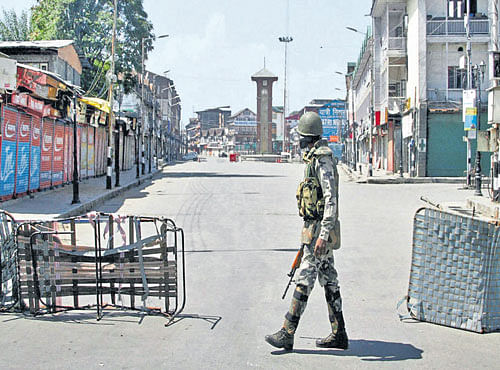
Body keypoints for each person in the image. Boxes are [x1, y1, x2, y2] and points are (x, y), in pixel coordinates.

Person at [265, 111, 347, 351]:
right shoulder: (313, 158)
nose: (298, 141)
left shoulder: (322, 159)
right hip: (313, 228)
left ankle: (287, 331)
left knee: (305, 277)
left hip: (320, 229)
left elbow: (331, 198)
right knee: (329, 279)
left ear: (307, 137)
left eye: (300, 137)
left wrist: (323, 234)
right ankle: (339, 333)